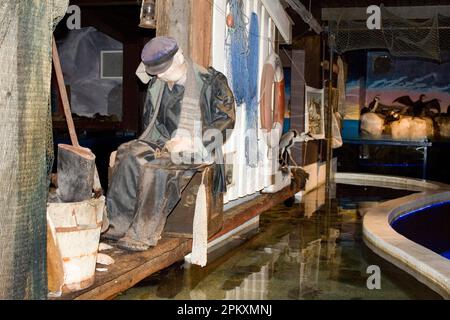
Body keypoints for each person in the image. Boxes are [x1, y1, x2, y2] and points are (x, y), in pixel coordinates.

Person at [104, 37, 235, 251]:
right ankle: (116, 225)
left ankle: (142, 234)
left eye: (165, 70)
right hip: (164, 141)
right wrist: (136, 147)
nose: (161, 76)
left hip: (198, 145)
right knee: (127, 154)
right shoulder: (157, 84)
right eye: (157, 73)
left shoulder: (212, 81)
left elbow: (226, 120)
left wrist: (194, 142)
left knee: (157, 168)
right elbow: (151, 126)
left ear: (180, 56)